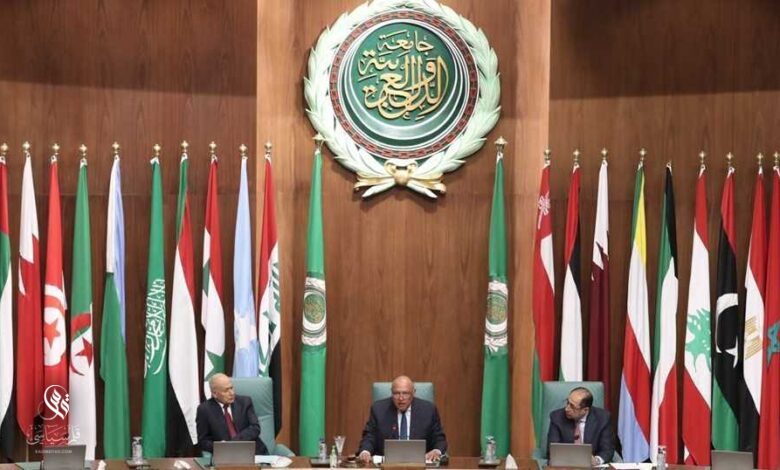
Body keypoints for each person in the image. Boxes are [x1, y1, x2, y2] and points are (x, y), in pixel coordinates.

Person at [357, 375, 447, 463]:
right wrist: (365, 452)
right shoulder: (378, 409)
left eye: (405, 393)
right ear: (391, 392)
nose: (401, 398)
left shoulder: (428, 410)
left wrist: (436, 450)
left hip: (420, 464)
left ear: (413, 392)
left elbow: (439, 438)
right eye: (396, 393)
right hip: (386, 465)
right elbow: (370, 436)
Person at [196, 373, 269, 455]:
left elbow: (255, 428)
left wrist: (232, 443)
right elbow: (203, 441)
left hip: (254, 453)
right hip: (226, 455)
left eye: (231, 388)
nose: (232, 393)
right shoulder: (204, 410)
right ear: (215, 394)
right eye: (226, 390)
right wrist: (218, 447)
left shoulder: (245, 402)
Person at [547, 386, 614, 465]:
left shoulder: (603, 418)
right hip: (564, 465)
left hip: (591, 466)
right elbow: (552, 449)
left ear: (585, 410)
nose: (567, 409)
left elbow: (607, 450)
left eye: (572, 406)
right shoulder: (556, 417)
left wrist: (596, 460)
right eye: (567, 402)